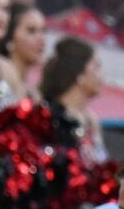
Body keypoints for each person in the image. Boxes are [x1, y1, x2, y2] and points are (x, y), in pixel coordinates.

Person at [41, 37, 109, 166]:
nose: (102, 76)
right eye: (96, 67)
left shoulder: (92, 121)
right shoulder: (50, 115)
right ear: (79, 73)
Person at [0, 3, 47, 100]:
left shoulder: (34, 93)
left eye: (43, 31)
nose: (41, 39)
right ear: (10, 36)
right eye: (31, 31)